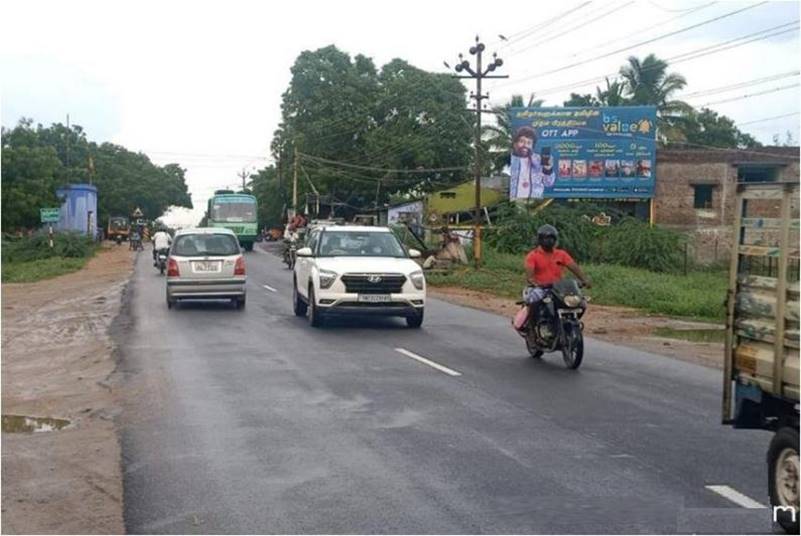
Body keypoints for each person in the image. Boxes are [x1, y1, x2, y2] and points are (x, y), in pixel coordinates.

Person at [523, 224, 591, 308]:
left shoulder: (561, 254)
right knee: (534, 302)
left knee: (581, 304)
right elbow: (530, 277)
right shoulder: (533, 255)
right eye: (547, 238)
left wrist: (584, 280)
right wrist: (534, 283)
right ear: (540, 239)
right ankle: (528, 320)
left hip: (558, 289)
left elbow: (573, 267)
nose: (550, 241)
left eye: (552, 238)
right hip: (541, 288)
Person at [510, 127, 555, 200]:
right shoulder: (509, 159)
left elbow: (548, 183)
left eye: (529, 143)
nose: (525, 145)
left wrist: (548, 169)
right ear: (515, 143)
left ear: (532, 146)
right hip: (513, 203)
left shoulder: (539, 159)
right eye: (522, 141)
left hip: (534, 203)